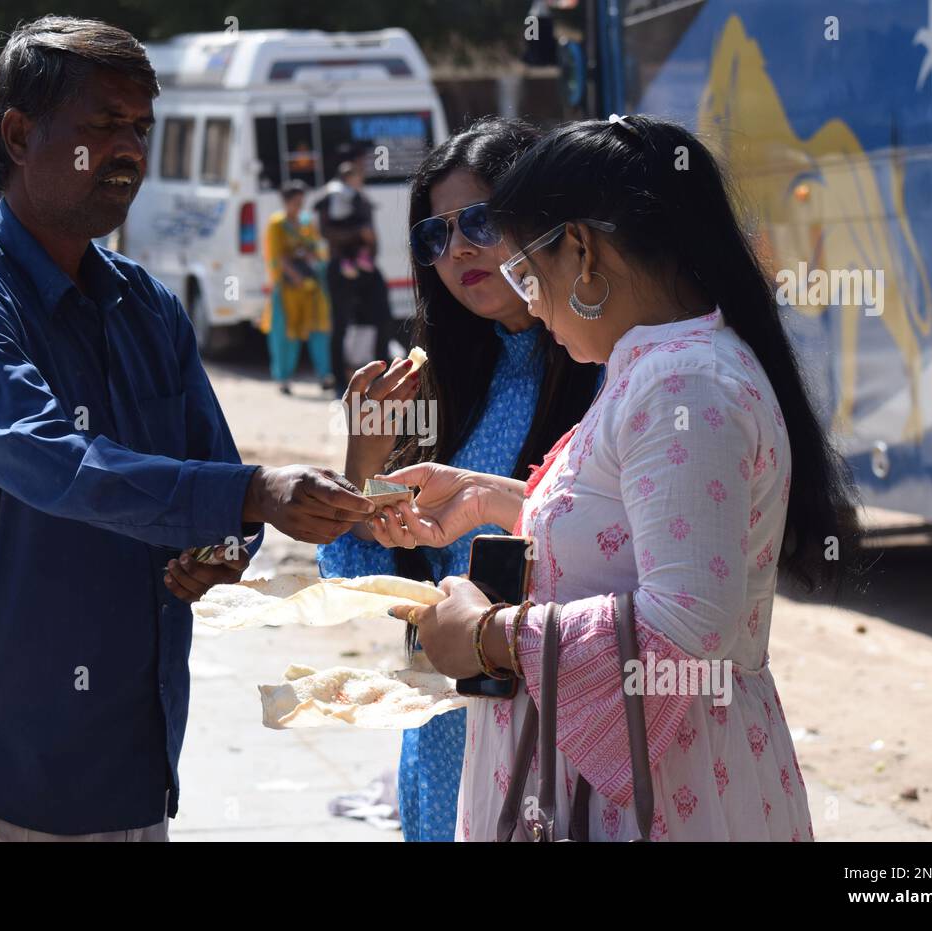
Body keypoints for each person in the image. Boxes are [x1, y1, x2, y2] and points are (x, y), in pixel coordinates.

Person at [0, 16, 375, 842]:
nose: (130, 151)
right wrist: (252, 494)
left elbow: (214, 480)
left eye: (141, 129)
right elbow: (65, 469)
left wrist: (223, 546)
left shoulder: (146, 304)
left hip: (139, 759)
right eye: (103, 125)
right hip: (4, 774)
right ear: (18, 134)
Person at [376, 116, 859, 841]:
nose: (530, 302)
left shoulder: (684, 384)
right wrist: (495, 498)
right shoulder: (661, 363)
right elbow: (629, 525)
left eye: (527, 272)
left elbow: (686, 621)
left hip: (660, 795)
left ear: (582, 251)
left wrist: (489, 636)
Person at [318, 118, 601, 841]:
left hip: (560, 728)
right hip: (445, 727)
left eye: (479, 219)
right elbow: (366, 583)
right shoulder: (428, 383)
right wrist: (362, 466)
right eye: (434, 236)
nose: (460, 249)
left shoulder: (608, 371)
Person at [316, 151, 391, 392]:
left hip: (366, 267)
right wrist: (358, 235)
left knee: (381, 319)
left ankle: (382, 378)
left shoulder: (362, 199)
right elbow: (327, 232)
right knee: (340, 325)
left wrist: (369, 246)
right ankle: (339, 381)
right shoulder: (331, 198)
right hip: (341, 267)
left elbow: (373, 235)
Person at [259, 180, 334, 394]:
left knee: (319, 328)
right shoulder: (276, 224)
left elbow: (317, 246)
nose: (299, 206)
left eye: (302, 202)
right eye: (295, 202)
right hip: (287, 288)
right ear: (286, 202)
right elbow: (275, 256)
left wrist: (313, 256)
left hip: (311, 286)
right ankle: (283, 379)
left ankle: (325, 375)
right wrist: (295, 275)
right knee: (285, 335)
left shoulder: (306, 221)